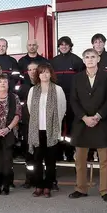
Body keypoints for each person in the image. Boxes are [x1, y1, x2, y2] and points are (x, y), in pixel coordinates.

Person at [68, 49, 107, 202]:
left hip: (101, 122)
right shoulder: (76, 78)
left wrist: (97, 116)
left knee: (105, 160)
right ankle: (81, 189)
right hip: (82, 124)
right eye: (87, 57)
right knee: (80, 160)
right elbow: (73, 100)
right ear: (83, 60)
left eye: (93, 57)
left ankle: (106, 190)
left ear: (98, 59)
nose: (90, 59)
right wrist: (84, 117)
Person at [26, 63, 66, 197]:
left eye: (47, 72)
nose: (44, 75)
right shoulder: (33, 90)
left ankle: (48, 186)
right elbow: (30, 108)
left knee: (50, 161)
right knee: (37, 160)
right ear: (38, 75)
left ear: (51, 74)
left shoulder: (58, 89)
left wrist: (55, 124)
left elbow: (62, 108)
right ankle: (38, 185)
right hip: (37, 131)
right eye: (41, 72)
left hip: (52, 131)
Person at [50, 36, 84, 162]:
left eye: (66, 44)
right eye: (61, 45)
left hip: (72, 99)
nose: (63, 46)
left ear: (70, 46)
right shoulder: (53, 62)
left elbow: (81, 81)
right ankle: (58, 153)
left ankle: (70, 153)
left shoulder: (77, 61)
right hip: (57, 98)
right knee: (57, 125)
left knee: (71, 126)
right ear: (58, 47)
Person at [16, 61, 39, 189]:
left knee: (40, 152)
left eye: (35, 69)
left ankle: (41, 178)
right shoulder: (23, 87)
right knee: (28, 153)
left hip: (41, 124)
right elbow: (18, 105)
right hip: (26, 124)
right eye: (30, 70)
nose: (32, 72)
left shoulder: (44, 85)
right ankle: (29, 179)